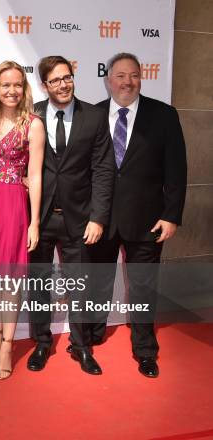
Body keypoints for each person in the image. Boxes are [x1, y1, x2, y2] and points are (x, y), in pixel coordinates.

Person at [91, 53, 187, 378]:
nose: (127, 82)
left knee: (144, 289)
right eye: (120, 76)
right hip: (100, 219)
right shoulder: (92, 115)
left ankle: (145, 350)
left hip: (148, 221)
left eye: (133, 75)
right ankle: (91, 335)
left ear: (141, 78)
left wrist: (172, 215)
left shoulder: (163, 115)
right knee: (97, 282)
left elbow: (177, 169)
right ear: (108, 79)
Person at [26, 55, 115, 375]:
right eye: (55, 80)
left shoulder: (93, 116)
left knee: (80, 285)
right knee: (38, 283)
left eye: (67, 78)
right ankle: (41, 342)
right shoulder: (31, 113)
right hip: (39, 217)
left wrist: (98, 217)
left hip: (80, 218)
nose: (63, 85)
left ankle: (81, 347)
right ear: (44, 85)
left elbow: (104, 169)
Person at [0, 61, 44, 379]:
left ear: (24, 88)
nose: (12, 90)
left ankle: (7, 344)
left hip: (13, 203)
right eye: (6, 85)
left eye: (17, 84)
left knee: (10, 278)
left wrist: (34, 223)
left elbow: (36, 175)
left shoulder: (33, 124)